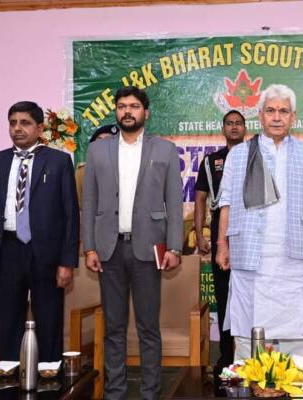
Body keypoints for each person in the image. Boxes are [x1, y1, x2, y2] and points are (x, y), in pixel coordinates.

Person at [216, 84, 303, 361]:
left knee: (297, 330)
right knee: (250, 331)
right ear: (260, 116)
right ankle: (254, 383)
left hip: (295, 259)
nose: (276, 117)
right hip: (250, 256)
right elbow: (226, 203)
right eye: (270, 110)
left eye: (283, 111)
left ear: (293, 117)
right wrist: (222, 244)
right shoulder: (239, 155)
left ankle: (293, 383)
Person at [82, 86, 183, 400]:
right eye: (122, 106)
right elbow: (89, 201)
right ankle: (115, 392)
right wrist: (89, 247)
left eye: (134, 106)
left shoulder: (164, 150)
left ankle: (151, 392)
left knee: (148, 327)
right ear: (116, 112)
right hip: (108, 250)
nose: (127, 111)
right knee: (113, 327)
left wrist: (175, 247)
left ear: (146, 113)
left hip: (147, 249)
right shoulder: (98, 151)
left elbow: (174, 203)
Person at [0, 101, 79, 362]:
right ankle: (9, 379)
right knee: (8, 324)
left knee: (49, 322)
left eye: (25, 123)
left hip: (45, 254)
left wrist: (67, 262)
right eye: (13, 123)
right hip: (6, 252)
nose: (17, 128)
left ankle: (49, 379)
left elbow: (70, 215)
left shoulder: (59, 161)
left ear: (40, 128)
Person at [194, 110, 246, 368]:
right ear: (223, 128)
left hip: (250, 230)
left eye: (239, 123)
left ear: (245, 128)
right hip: (220, 232)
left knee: (250, 292)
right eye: (230, 123)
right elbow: (201, 198)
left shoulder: (255, 156)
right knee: (224, 294)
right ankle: (227, 356)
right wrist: (201, 234)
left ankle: (252, 355)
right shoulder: (211, 160)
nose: (234, 127)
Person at [75, 124, 118, 207]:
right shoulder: (82, 172)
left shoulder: (127, 170)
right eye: (99, 140)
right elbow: (79, 205)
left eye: (109, 140)